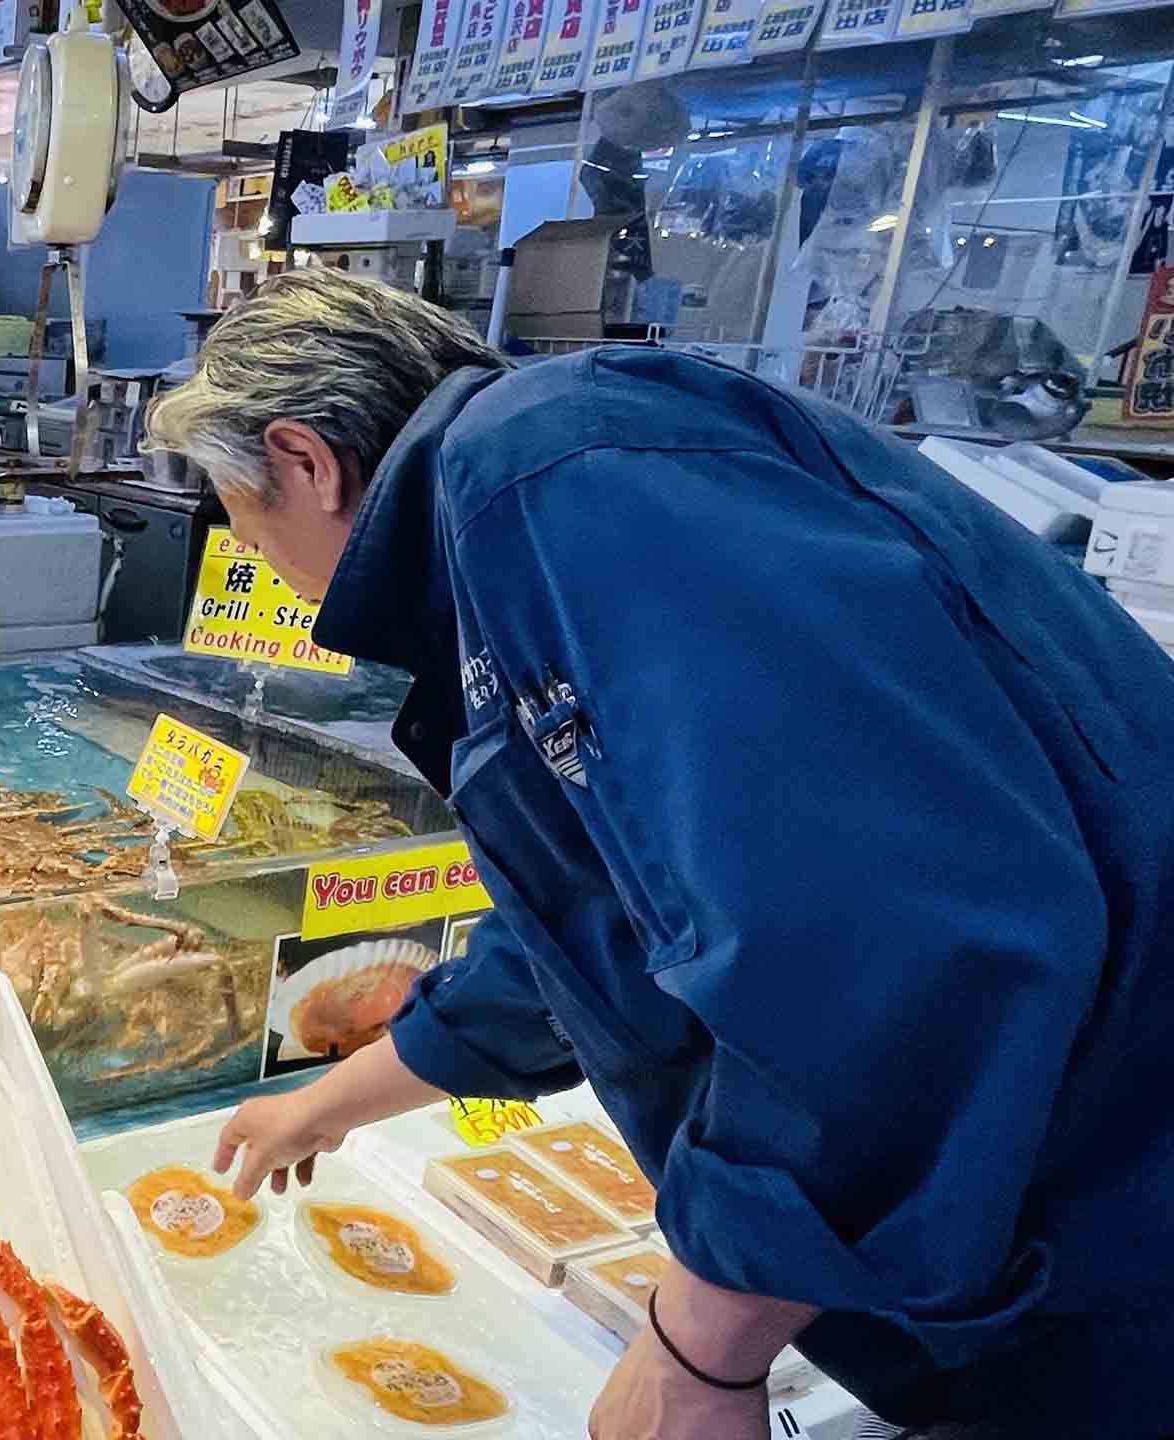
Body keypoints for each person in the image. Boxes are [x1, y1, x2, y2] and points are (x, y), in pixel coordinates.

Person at [146, 270, 1174, 1439]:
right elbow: (600, 922)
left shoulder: (558, 474)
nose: (268, 571)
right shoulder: (528, 502)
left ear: (304, 462)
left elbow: (878, 943)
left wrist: (700, 1352)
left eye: (245, 522)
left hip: (1107, 1228)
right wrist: (336, 1100)